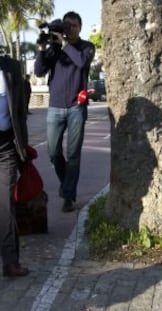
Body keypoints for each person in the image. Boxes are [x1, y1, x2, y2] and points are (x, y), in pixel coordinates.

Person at [34, 11, 95, 212]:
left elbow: (81, 63)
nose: (68, 29)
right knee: (53, 153)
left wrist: (65, 44)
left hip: (77, 107)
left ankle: (68, 196)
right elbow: (39, 71)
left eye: (73, 26)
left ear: (80, 28)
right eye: (66, 25)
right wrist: (43, 48)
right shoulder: (56, 49)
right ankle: (67, 186)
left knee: (73, 154)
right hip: (55, 107)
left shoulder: (86, 47)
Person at [0, 55, 30, 277]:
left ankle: (11, 261)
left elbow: (20, 109)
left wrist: (23, 145)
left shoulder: (11, 67)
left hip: (6, 146)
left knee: (5, 205)